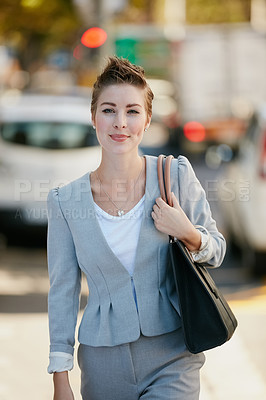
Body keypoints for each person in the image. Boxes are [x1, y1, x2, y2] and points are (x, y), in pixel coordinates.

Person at [47, 56, 226, 400]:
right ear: (93, 117)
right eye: (109, 110)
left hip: (173, 354)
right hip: (103, 362)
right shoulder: (65, 202)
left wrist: (189, 232)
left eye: (132, 111)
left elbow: (216, 248)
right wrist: (60, 378)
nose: (120, 123)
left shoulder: (174, 175)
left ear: (147, 121)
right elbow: (62, 293)